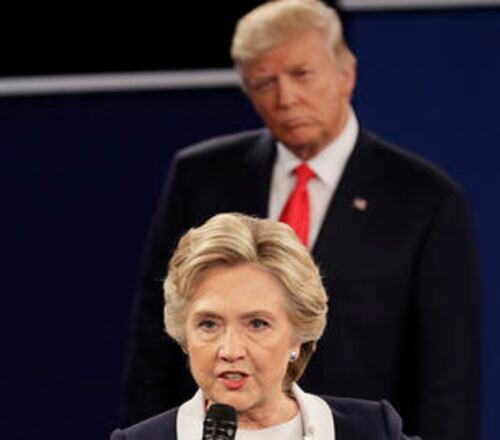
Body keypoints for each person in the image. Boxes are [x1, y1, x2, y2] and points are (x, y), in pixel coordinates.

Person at [121, 1, 480, 439]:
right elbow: (154, 345)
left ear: (345, 74)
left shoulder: (424, 199)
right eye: (264, 82)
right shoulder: (202, 176)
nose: (285, 97)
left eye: (301, 74)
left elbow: (447, 376)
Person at [112, 213, 418, 439]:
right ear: (184, 335)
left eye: (257, 324)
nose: (230, 351)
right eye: (208, 324)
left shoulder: (372, 431)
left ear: (298, 336)